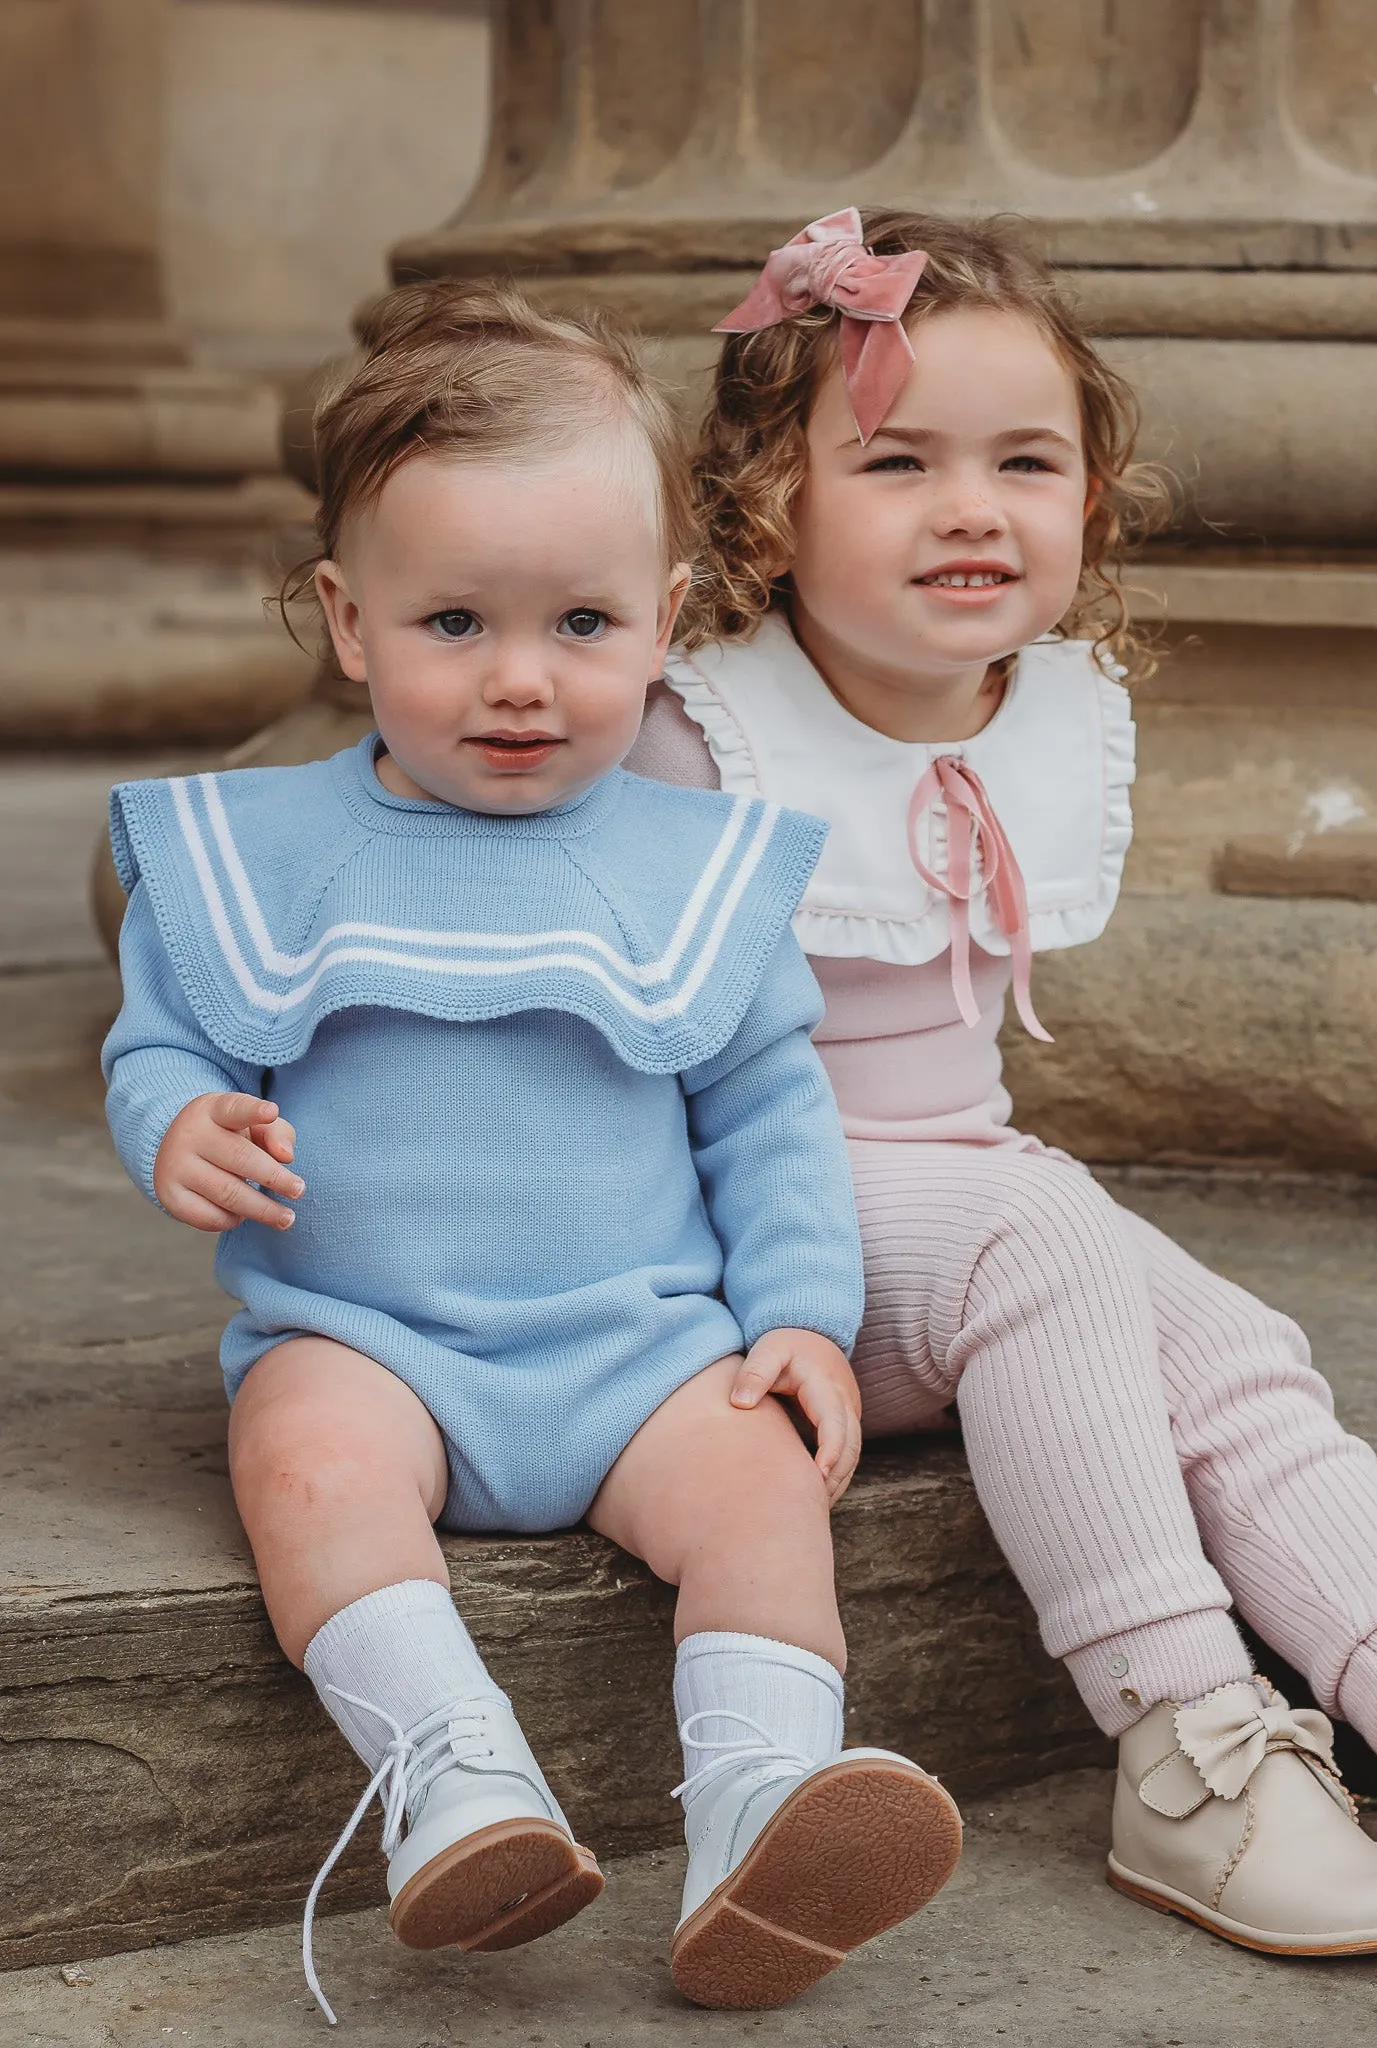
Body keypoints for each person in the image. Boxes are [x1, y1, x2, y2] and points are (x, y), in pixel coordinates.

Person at [625, 206, 1377, 1957]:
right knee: (1045, 1227)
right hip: (751, 1250)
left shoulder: (1033, 704)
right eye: (896, 460)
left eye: (1027, 460)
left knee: (1237, 1354)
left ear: (1090, 501)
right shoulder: (696, 735)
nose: (974, 506)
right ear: (767, 505)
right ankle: (1184, 1737)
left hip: (969, 1219)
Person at [101, 279, 962, 2024]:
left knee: (760, 1495)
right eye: (452, 624)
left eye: (581, 623)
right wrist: (176, 1120)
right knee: (304, 1468)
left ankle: (757, 1807)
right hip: (370, 1343)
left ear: (664, 617)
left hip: (639, 1351)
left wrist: (796, 1313)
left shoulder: (686, 867)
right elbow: (164, 1037)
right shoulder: (260, 854)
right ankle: (457, 1778)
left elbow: (769, 1110)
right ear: (349, 621)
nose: (519, 681)